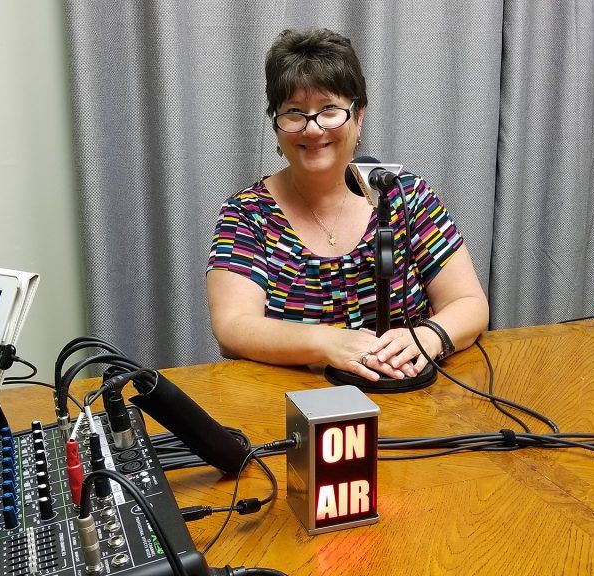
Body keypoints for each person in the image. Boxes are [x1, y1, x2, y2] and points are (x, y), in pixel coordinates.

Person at [207, 28, 488, 383]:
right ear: (276, 125)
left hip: (409, 393)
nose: (312, 129)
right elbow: (232, 327)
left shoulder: (404, 196)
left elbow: (469, 302)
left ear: (358, 116)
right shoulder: (246, 213)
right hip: (290, 405)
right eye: (294, 112)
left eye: (329, 110)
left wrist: (430, 336)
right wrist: (328, 343)